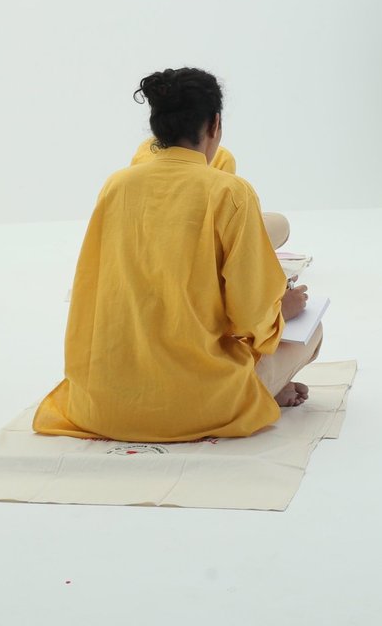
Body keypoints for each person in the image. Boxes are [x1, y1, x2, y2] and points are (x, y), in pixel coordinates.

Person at [35, 68, 321, 442]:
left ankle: (261, 388)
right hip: (196, 407)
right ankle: (259, 390)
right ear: (215, 124)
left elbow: (93, 284)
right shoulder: (230, 191)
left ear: (157, 126)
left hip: (104, 406)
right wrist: (283, 309)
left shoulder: (117, 184)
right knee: (312, 333)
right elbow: (251, 317)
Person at [131, 134, 290, 249]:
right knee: (281, 224)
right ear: (214, 123)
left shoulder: (144, 151)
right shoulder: (222, 157)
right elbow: (224, 226)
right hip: (197, 250)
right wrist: (279, 295)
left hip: (144, 241)